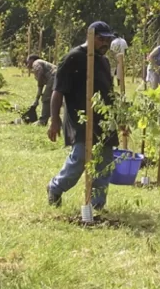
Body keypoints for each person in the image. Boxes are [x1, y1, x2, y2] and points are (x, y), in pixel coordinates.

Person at [46, 21, 118, 209]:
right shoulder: (73, 58)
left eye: (108, 40)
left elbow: (109, 92)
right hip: (80, 118)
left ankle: (97, 204)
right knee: (80, 158)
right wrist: (54, 119)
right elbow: (58, 91)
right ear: (90, 36)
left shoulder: (104, 62)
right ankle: (55, 187)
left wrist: (118, 118)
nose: (106, 43)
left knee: (104, 162)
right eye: (101, 39)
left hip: (104, 121)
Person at [26, 54, 57, 126]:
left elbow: (40, 73)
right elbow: (42, 82)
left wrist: (39, 86)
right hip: (59, 77)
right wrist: (37, 99)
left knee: (46, 99)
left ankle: (42, 121)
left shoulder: (36, 62)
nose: (27, 64)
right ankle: (57, 121)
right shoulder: (43, 64)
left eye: (28, 61)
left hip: (54, 77)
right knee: (55, 99)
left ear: (32, 60)